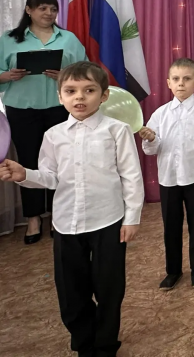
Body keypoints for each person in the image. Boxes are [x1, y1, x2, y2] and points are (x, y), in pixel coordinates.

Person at [0, 61, 144, 357]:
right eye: (71, 91)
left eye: (89, 90)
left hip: (108, 221)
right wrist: (25, 174)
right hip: (66, 224)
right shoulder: (54, 135)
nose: (80, 97)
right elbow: (50, 177)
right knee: (71, 292)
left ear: (104, 95)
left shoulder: (116, 130)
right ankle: (84, 344)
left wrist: (132, 218)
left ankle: (105, 345)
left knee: (109, 288)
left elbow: (131, 176)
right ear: (60, 96)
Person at [0, 0, 86, 244]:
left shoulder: (69, 39)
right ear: (29, 10)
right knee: (28, 162)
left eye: (53, 9)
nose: (49, 13)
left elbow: (86, 72)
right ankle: (33, 218)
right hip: (22, 111)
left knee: (61, 161)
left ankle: (59, 215)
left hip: (60, 109)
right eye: (43, 8)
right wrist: (8, 75)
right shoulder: (8, 39)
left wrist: (65, 75)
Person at [139, 58, 194, 291]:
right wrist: (151, 139)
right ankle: (173, 270)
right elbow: (151, 149)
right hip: (169, 179)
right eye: (176, 79)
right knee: (171, 225)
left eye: (187, 79)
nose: (181, 83)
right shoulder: (160, 114)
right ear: (168, 83)